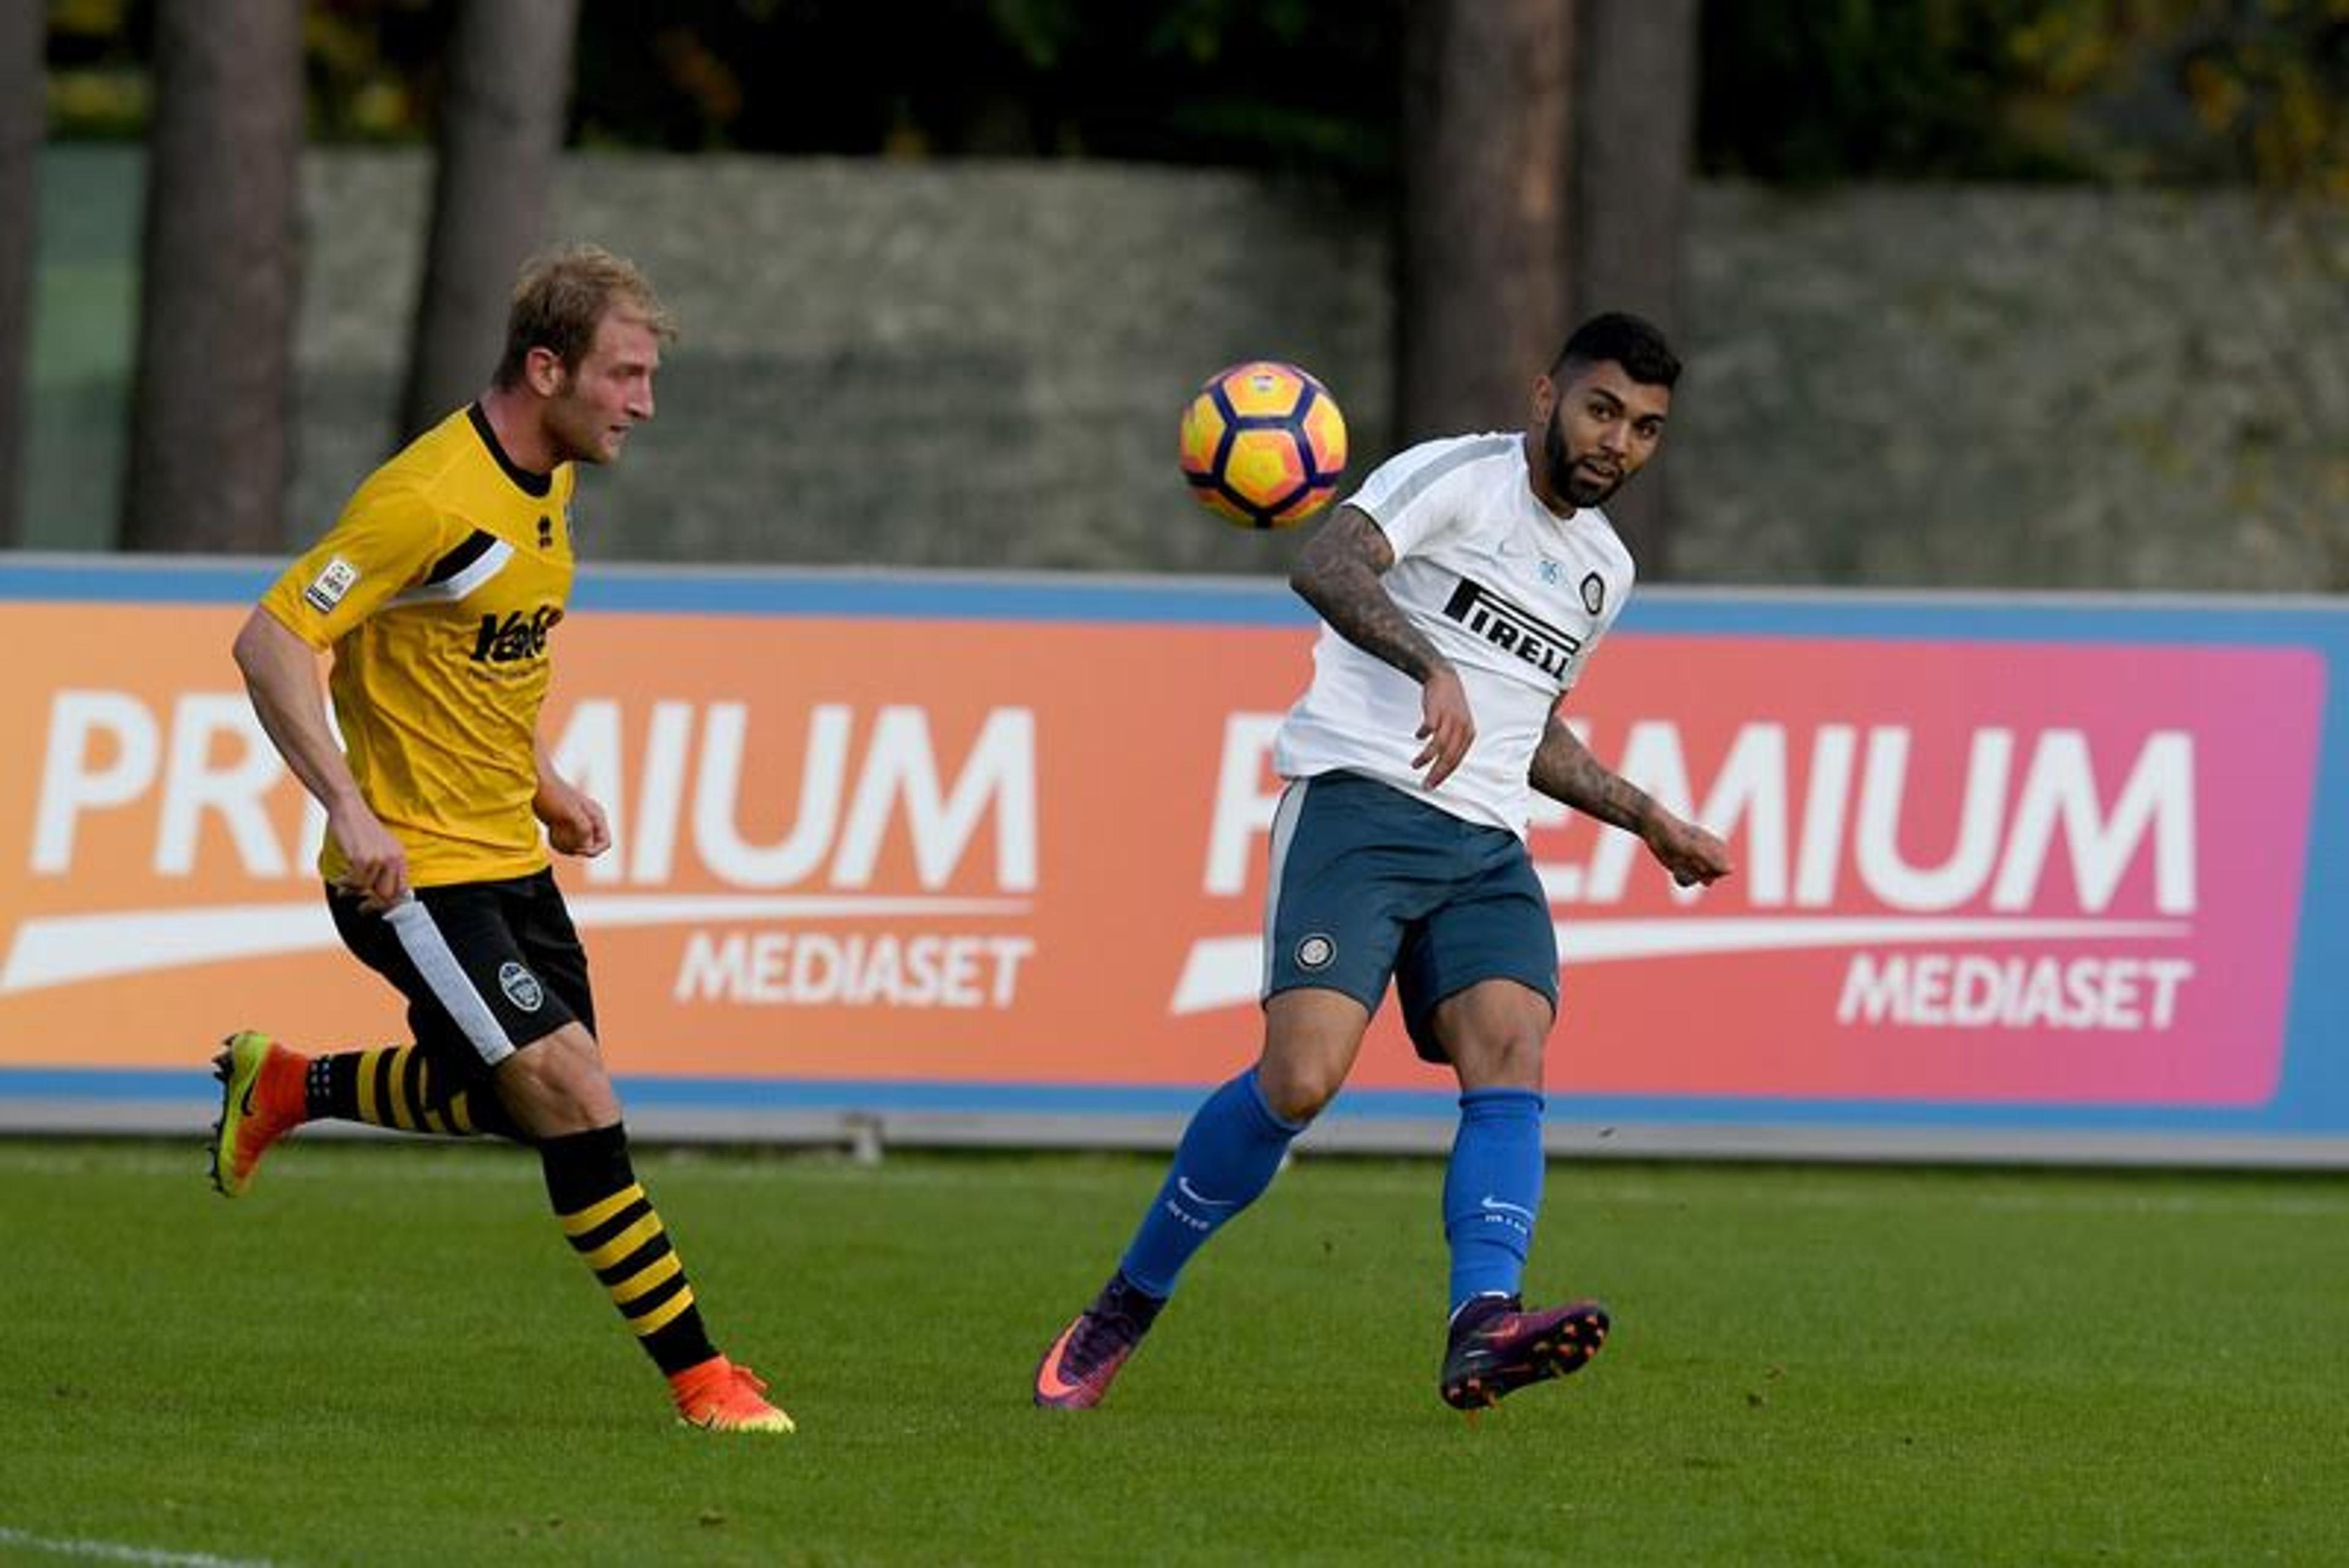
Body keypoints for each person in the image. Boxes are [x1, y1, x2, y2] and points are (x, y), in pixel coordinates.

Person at [1034, 313, 1735, 1414]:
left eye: (1647, 428)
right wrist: (1429, 665)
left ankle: (1482, 1326)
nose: (1620, 443)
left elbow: (1528, 729)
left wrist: (1648, 818)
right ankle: (1129, 1299)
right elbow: (1326, 561)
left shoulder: (1606, 571)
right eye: (1604, 411)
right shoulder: (1456, 477)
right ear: (1547, 396)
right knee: (1300, 1082)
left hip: (1487, 844)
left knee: (1513, 1050)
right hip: (1361, 802)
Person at [210, 243, 793, 1436]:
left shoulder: (547, 480)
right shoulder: (427, 497)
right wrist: (348, 804)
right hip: (414, 875)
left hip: (506, 859)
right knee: (574, 1093)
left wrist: (542, 781)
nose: (645, 402)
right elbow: (271, 641)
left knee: (529, 1096)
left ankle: (288, 1083)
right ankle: (704, 1381)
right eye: (625, 375)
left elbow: (476, 655)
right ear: (547, 367)